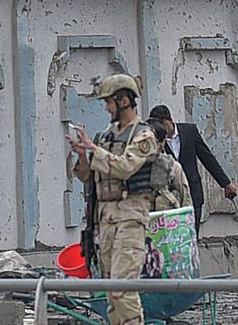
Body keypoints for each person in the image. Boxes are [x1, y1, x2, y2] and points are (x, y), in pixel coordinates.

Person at [68, 74, 160, 325]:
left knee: (123, 286)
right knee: (110, 289)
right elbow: (89, 177)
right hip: (106, 219)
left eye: (109, 102)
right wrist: (83, 155)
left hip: (130, 217)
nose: (107, 108)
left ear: (124, 101)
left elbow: (125, 167)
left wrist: (94, 149)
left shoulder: (144, 136)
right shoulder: (106, 136)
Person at [148, 104, 238, 237]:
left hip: (193, 194)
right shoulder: (155, 141)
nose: (160, 128)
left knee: (191, 238)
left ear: (170, 120)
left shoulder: (189, 132)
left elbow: (207, 157)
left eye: (162, 124)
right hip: (169, 200)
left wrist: (225, 183)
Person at [146, 118, 192, 212]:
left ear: (162, 142)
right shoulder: (132, 166)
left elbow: (185, 200)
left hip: (168, 221)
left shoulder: (173, 167)